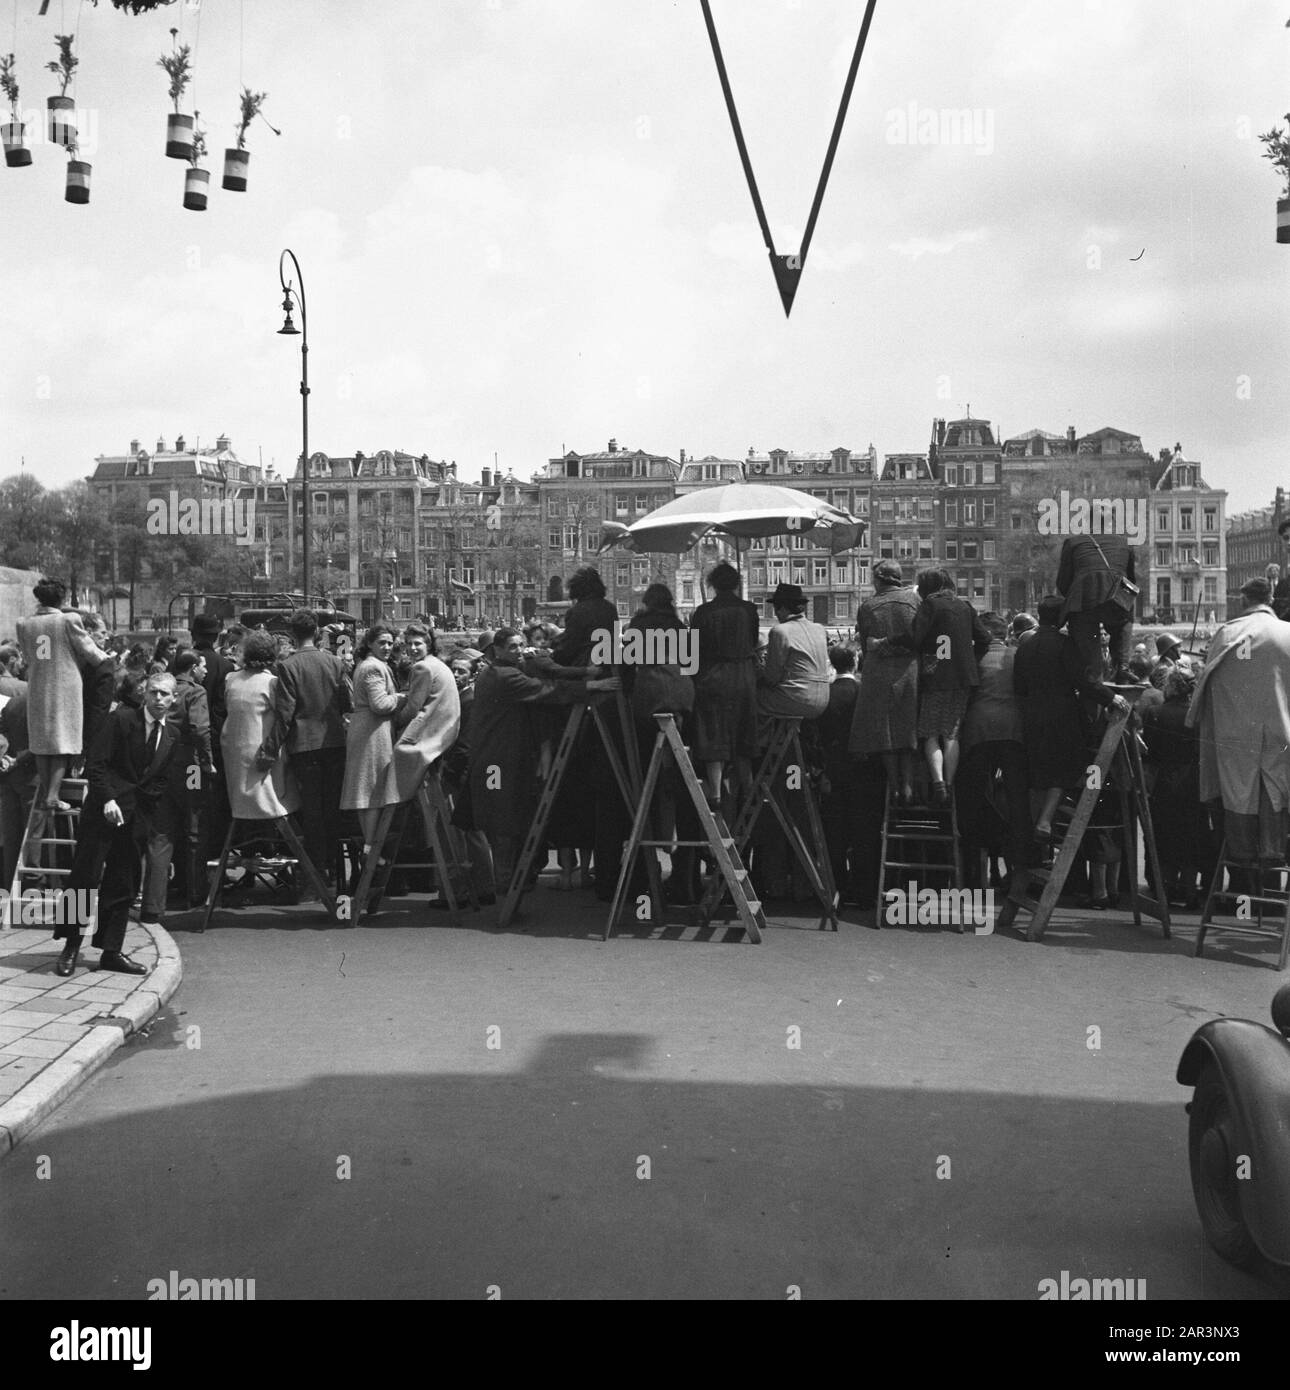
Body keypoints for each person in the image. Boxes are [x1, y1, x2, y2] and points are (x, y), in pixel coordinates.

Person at [469, 628, 617, 899]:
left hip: (494, 756)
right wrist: (591, 683)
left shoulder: (496, 671)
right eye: (513, 647)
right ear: (498, 650)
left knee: (501, 816)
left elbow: (548, 675)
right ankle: (503, 885)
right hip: (498, 759)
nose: (520, 650)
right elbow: (547, 689)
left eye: (521, 645)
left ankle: (506, 881)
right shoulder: (506, 676)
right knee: (502, 819)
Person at [55, 671, 179, 977]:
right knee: (84, 877)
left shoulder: (173, 735)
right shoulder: (122, 720)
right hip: (102, 813)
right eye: (154, 692)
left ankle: (111, 951)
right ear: (144, 694)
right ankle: (70, 946)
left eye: (165, 694)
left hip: (136, 820)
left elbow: (160, 779)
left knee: (123, 883)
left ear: (174, 698)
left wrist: (146, 813)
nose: (159, 698)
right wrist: (109, 799)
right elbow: (97, 764)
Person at [1187, 577, 1290, 863]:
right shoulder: (1287, 632)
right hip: (1283, 735)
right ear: (1270, 599)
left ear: (1243, 600)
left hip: (1235, 737)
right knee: (1278, 792)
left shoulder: (1229, 632)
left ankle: (1243, 871)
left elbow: (1204, 688)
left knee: (1239, 795)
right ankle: (1274, 865)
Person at [1013, 596, 1129, 843]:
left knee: (1038, 770)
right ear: (1062, 618)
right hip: (1061, 716)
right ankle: (1045, 820)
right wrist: (1111, 698)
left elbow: (1019, 687)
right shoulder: (1065, 645)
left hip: (1032, 716)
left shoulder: (1025, 647)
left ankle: (1035, 821)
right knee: (1065, 768)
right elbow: (1083, 681)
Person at [261, 609, 352, 888]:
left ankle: (318, 870)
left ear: (292, 634)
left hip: (304, 744)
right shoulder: (335, 662)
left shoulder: (288, 666)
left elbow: (285, 713)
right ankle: (337, 869)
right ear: (316, 632)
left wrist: (269, 749)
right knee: (332, 807)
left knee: (311, 810)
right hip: (334, 740)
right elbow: (346, 701)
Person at [883, 569, 990, 806]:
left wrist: (886, 641)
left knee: (930, 734)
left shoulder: (930, 605)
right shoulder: (965, 607)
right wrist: (967, 660)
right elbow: (985, 639)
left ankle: (938, 783)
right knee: (952, 733)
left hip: (936, 677)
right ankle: (950, 785)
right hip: (962, 679)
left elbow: (914, 637)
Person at [16, 576, 114, 815]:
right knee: (63, 740)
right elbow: (91, 653)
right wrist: (107, 660)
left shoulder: (24, 624)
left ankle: (46, 792)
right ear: (61, 598)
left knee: (41, 742)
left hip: (38, 685)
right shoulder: (69, 620)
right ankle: (52, 795)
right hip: (65, 686)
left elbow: (28, 656)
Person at [140, 649, 214, 923]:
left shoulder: (162, 690)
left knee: (160, 834)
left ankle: (152, 905)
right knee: (194, 827)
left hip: (160, 765)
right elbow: (199, 729)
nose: (204, 671)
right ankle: (194, 892)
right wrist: (208, 762)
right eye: (202, 666)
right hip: (191, 765)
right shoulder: (196, 692)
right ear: (193, 668)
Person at [957, 612, 1030, 889]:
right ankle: (1018, 871)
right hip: (1013, 731)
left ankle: (974, 874)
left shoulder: (974, 657)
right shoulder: (1017, 656)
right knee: (1016, 801)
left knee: (973, 801)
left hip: (978, 732)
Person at [689, 561, 759, 812]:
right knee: (743, 736)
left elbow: (693, 652)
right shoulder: (750, 610)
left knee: (714, 735)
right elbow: (752, 642)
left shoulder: (703, 613)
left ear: (713, 585)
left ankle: (716, 794)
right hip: (744, 677)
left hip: (713, 678)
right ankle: (748, 788)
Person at [849, 560, 921, 805]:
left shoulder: (868, 606)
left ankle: (894, 786)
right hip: (908, 670)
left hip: (879, 671)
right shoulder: (915, 602)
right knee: (908, 726)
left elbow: (865, 644)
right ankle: (909, 784)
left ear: (879, 579)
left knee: (886, 731)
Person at [1141, 663, 1210, 908]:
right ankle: (1190, 892)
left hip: (1165, 782)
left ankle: (1167, 890)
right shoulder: (1200, 715)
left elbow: (1150, 754)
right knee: (1191, 838)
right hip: (1194, 781)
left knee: (1166, 837)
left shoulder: (1154, 713)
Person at [378, 624, 460, 806]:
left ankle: (394, 803)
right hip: (447, 727)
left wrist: (395, 722)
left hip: (433, 732)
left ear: (428, 645)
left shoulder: (422, 667)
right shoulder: (436, 663)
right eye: (409, 644)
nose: (412, 648)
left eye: (417, 644)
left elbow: (413, 709)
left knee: (393, 756)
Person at [340, 624, 406, 848]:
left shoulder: (373, 665)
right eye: (382, 643)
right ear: (369, 644)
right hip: (371, 732)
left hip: (371, 730)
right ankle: (371, 846)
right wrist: (402, 697)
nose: (387, 647)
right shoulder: (372, 667)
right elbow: (379, 704)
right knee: (371, 792)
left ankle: (372, 845)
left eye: (390, 643)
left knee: (370, 792)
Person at [226, 632, 300, 822]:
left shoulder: (231, 680)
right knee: (274, 801)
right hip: (263, 751)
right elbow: (283, 718)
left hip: (234, 751)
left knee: (244, 804)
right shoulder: (271, 683)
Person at [1056, 532, 1137, 683]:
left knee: (1090, 662)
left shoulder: (1073, 542)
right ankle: (1123, 665)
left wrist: (1077, 594)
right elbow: (1131, 581)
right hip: (1114, 601)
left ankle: (1094, 680)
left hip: (1082, 600)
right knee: (1125, 619)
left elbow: (1062, 581)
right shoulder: (1126, 543)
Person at [818, 645, 863, 904]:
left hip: (833, 765)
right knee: (861, 830)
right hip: (861, 766)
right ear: (855, 662)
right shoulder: (863, 692)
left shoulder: (827, 693)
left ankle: (836, 883)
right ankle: (861, 886)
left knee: (835, 830)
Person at [756, 581, 830, 732]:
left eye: (776, 610)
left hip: (797, 698)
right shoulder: (819, 629)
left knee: (749, 699)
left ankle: (760, 747)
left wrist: (757, 671)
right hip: (823, 698)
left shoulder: (780, 631)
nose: (776, 614)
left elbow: (772, 677)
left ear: (782, 608)